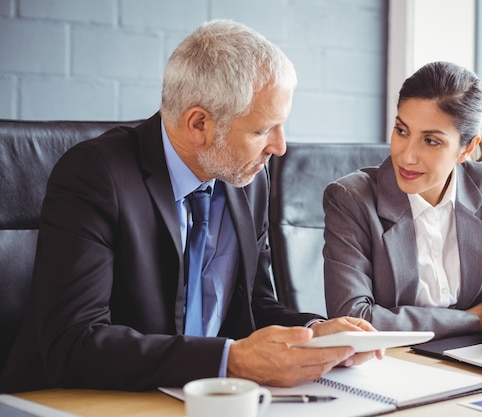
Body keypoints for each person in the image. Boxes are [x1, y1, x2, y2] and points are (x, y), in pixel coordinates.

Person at [0, 19, 381, 393]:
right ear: (198, 124)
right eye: (263, 129)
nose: (279, 147)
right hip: (78, 400)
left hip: (204, 398)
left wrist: (314, 332)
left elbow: (254, 306)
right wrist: (229, 359)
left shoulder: (247, 179)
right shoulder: (95, 176)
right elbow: (74, 344)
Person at [323, 61, 482, 349]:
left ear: (466, 149)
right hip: (392, 364)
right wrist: (472, 320)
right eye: (401, 131)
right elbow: (353, 318)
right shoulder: (351, 199)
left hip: (480, 359)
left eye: (431, 141)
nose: (407, 156)